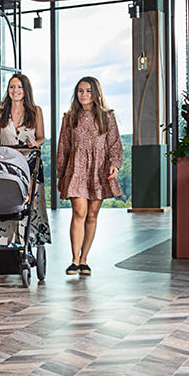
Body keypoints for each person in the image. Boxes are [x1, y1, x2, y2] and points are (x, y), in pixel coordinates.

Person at [53, 77, 122, 275]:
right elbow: (63, 147)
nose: (84, 95)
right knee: (79, 212)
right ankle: (74, 260)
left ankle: (84, 259)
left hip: (99, 171)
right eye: (80, 90)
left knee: (92, 215)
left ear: (96, 93)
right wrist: (61, 174)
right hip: (76, 170)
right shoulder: (69, 118)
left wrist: (115, 165)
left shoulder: (107, 117)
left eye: (88, 91)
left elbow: (114, 144)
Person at [0, 72, 46, 244]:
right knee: (6, 200)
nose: (15, 90)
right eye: (12, 87)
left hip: (29, 161)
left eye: (19, 87)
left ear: (26, 90)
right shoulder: (0, 114)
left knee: (30, 203)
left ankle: (28, 240)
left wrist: (35, 143)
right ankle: (3, 240)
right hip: (7, 163)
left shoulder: (36, 111)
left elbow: (42, 138)